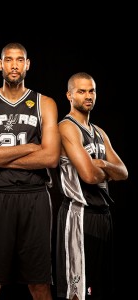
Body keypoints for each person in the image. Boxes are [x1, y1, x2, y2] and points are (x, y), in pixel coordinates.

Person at [0, 42, 61, 300]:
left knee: (40, 285)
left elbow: (51, 157)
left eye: (20, 60)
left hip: (36, 197)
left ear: (27, 65)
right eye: (8, 60)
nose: (14, 65)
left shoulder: (45, 103)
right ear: (0, 65)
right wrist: (32, 147)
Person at [56, 72, 128, 300]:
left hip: (103, 215)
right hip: (78, 215)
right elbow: (87, 174)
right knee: (77, 292)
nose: (88, 96)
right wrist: (106, 172)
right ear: (69, 95)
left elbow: (124, 172)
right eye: (81, 91)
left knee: (100, 289)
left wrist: (104, 163)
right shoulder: (66, 127)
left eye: (91, 91)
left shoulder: (99, 132)